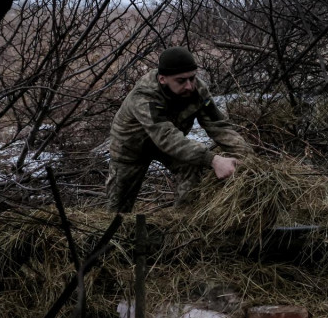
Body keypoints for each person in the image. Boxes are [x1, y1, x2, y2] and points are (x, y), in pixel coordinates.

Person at [107, 46, 252, 212]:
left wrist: (248, 158)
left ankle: (182, 223)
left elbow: (218, 126)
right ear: (163, 79)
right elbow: (166, 136)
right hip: (131, 148)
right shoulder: (145, 96)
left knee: (191, 164)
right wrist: (214, 160)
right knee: (117, 209)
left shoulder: (197, 90)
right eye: (181, 81)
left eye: (192, 78)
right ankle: (115, 234)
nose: (189, 86)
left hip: (171, 144)